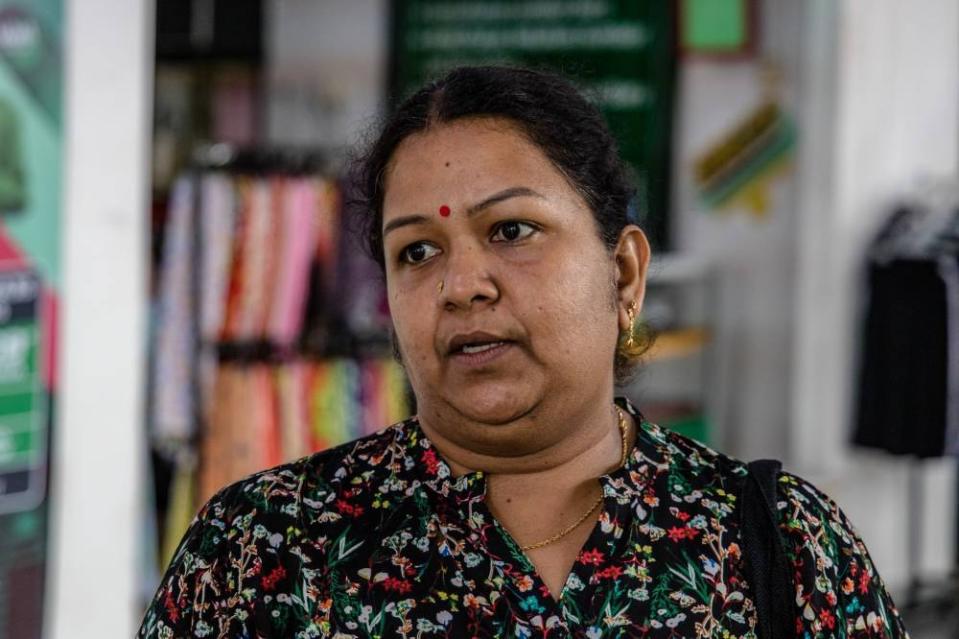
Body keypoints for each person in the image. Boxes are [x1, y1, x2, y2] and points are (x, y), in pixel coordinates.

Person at [138, 66, 909, 638]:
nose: (460, 284)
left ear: (624, 273)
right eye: (416, 251)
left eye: (510, 231)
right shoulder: (264, 550)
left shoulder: (778, 545)